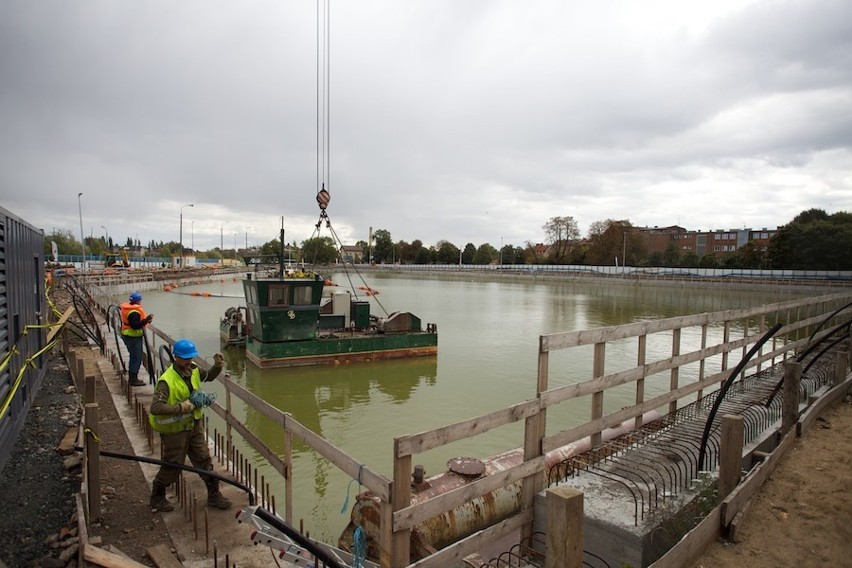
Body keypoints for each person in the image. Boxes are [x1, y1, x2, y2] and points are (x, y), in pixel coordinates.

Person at [148, 338, 232, 512]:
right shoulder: (167, 381)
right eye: (185, 358)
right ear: (176, 357)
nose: (188, 361)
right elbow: (156, 407)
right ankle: (157, 496)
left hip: (193, 425)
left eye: (190, 357)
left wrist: (217, 366)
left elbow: (207, 376)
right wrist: (181, 407)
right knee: (173, 464)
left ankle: (214, 496)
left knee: (204, 459)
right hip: (175, 430)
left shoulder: (192, 369)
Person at [120, 291, 152, 387]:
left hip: (128, 335)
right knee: (136, 357)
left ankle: (133, 377)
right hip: (133, 337)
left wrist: (144, 321)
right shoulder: (134, 312)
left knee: (133, 356)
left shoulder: (129, 309)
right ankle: (133, 379)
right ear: (138, 301)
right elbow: (135, 325)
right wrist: (145, 321)